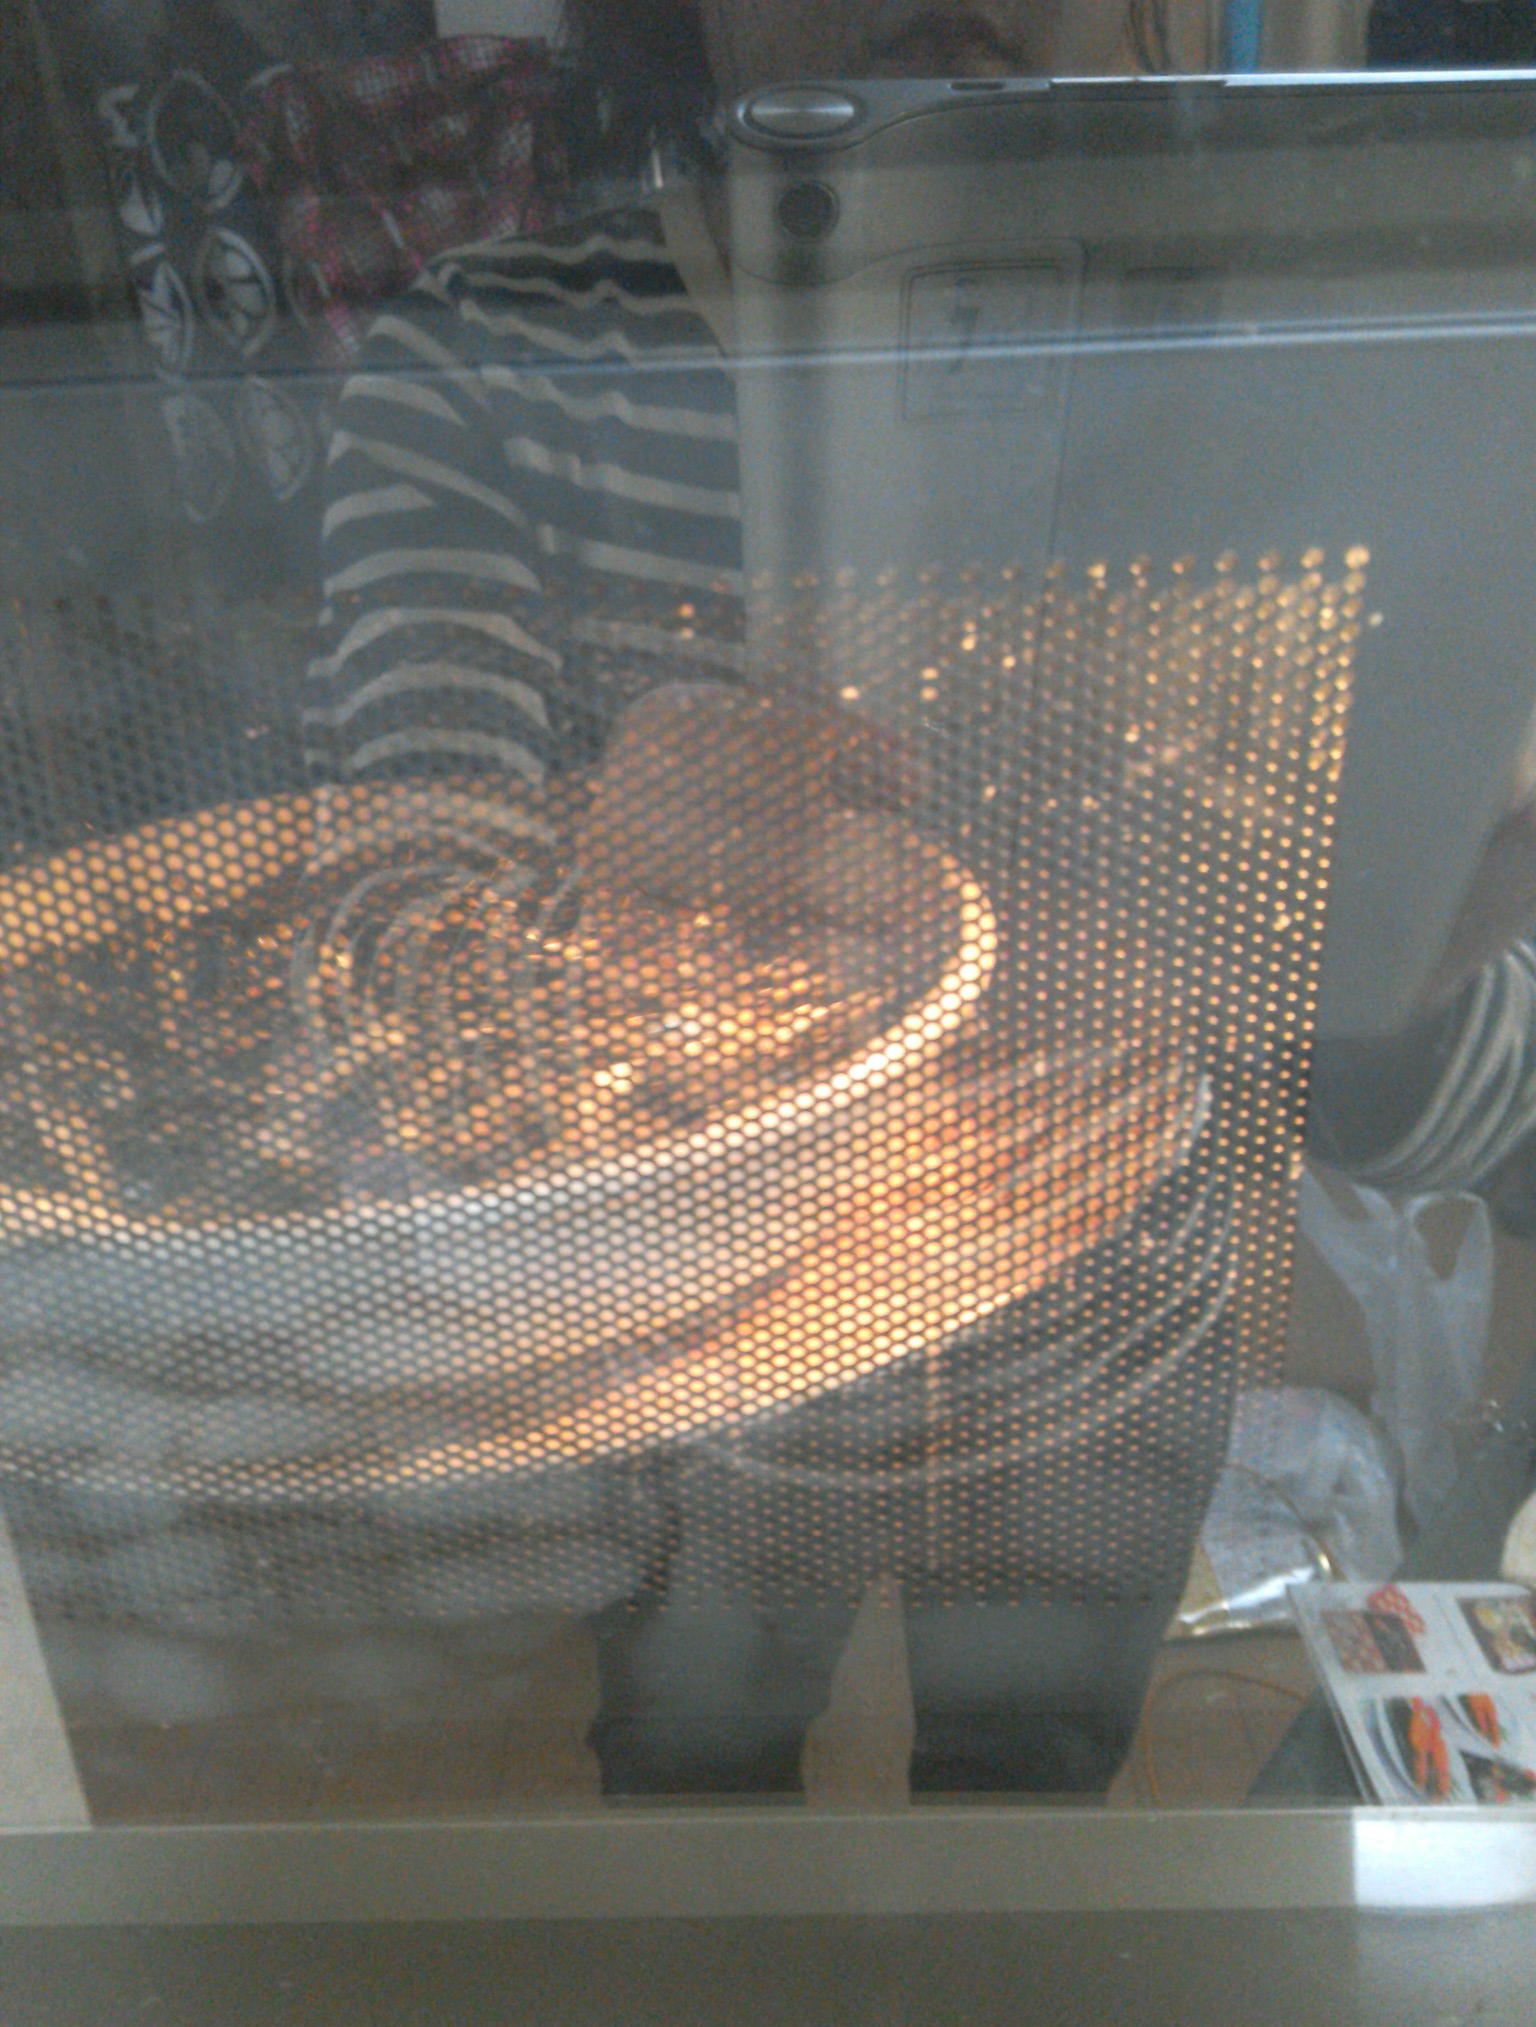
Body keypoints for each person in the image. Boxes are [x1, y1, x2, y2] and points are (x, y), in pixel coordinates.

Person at [307, 0, 1536, 1797]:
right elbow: (396, 1016)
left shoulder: (1299, 362)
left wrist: (1394, 919)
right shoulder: (499, 363)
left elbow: (1467, 1108)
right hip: (707, 1350)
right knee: (698, 1774)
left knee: (1024, 1774)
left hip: (1103, 1326)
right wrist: (606, 865)